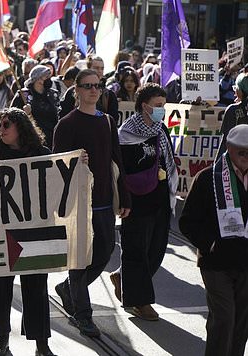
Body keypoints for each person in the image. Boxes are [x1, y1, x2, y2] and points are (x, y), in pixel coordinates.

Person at [52, 69, 131, 338]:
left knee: (105, 252)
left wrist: (124, 195)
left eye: (97, 86)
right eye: (87, 86)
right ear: (76, 91)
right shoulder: (67, 124)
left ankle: (69, 289)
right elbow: (56, 165)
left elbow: (117, 160)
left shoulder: (108, 122)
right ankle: (82, 315)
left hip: (104, 202)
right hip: (78, 204)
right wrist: (73, 161)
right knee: (79, 260)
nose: (93, 90)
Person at [0, 108, 56, 356]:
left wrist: (78, 165)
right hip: (3, 231)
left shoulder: (42, 154)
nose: (0, 131)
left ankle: (41, 343)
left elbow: (57, 184)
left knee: (36, 288)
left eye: (5, 126)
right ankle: (2, 340)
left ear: (20, 128)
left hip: (34, 232)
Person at [179, 124, 248, 356]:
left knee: (241, 323)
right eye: (242, 153)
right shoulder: (208, 178)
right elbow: (186, 223)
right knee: (224, 318)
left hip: (246, 264)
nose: (247, 158)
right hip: (216, 262)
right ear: (229, 148)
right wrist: (211, 244)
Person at [110, 83, 177, 321]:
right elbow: (119, 173)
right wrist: (122, 200)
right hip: (136, 203)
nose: (162, 110)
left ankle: (121, 276)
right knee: (136, 251)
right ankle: (140, 302)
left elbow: (169, 163)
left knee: (155, 251)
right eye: (158, 106)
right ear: (144, 106)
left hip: (159, 200)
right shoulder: (124, 135)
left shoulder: (162, 130)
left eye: (163, 105)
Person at [11, 65, 61, 148]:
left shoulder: (53, 94)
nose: (49, 79)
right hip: (30, 140)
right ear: (38, 79)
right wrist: (24, 114)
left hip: (51, 139)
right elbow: (11, 116)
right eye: (46, 76)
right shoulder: (23, 95)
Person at [60, 56, 119, 120]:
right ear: (88, 68)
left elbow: (112, 121)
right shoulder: (72, 91)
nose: (99, 71)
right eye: (96, 68)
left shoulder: (109, 95)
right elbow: (64, 116)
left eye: (102, 68)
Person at [218, 72, 248, 158]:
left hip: (236, 161)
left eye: (236, 88)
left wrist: (217, 166)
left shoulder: (232, 110)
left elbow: (226, 140)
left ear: (241, 91)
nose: (234, 92)